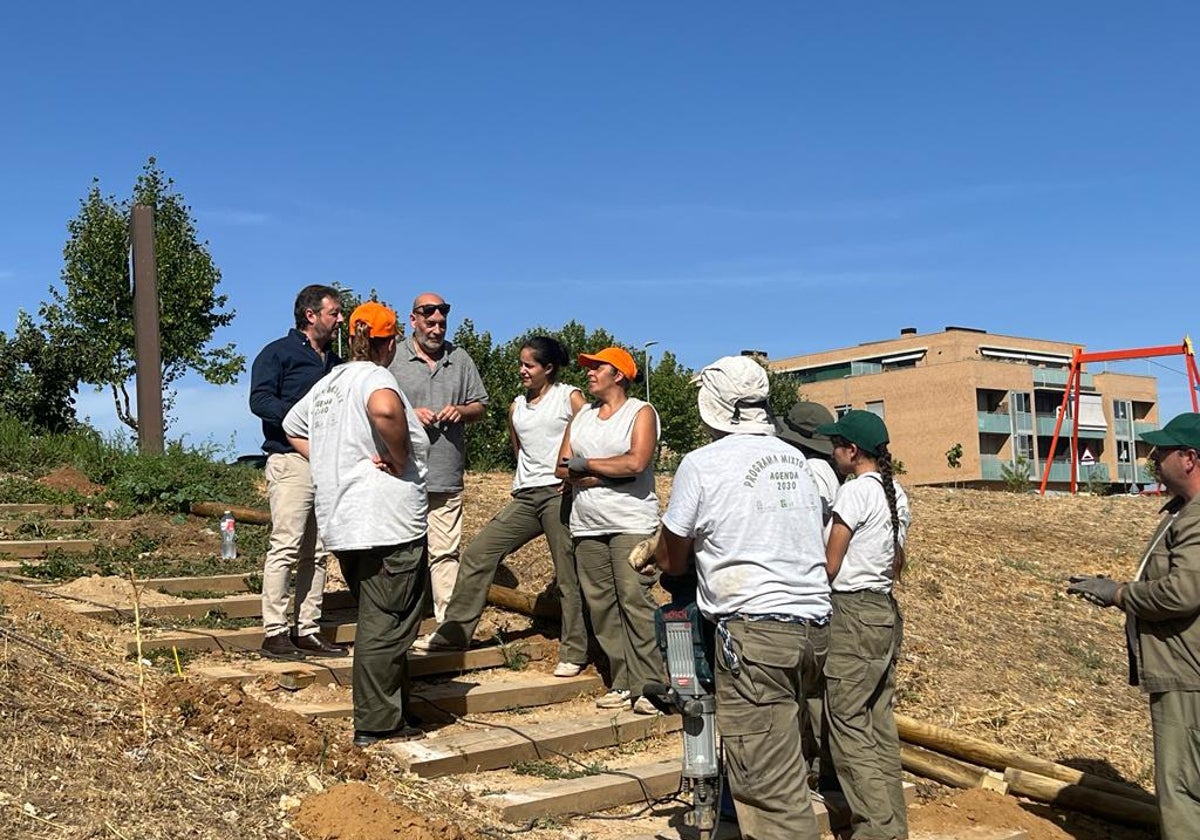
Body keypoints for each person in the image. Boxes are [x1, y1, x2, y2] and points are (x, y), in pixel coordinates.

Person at [654, 355, 831, 840]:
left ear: (714, 404)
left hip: (754, 638)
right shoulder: (797, 460)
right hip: (812, 633)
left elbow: (672, 559)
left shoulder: (703, 463)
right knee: (784, 765)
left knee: (770, 793)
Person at [283, 301, 431, 747]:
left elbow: (292, 423)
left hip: (346, 522)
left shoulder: (330, 383)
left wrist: (332, 460)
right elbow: (386, 410)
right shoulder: (376, 377)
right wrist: (400, 457)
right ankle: (378, 723)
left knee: (378, 615)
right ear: (390, 343)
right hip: (386, 522)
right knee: (386, 622)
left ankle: (393, 710)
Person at [414, 337, 589, 677]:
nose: (522, 370)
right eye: (521, 364)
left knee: (567, 575)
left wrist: (571, 478)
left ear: (548, 368)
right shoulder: (517, 406)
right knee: (479, 553)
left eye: (530, 365)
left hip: (557, 495)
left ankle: (575, 650)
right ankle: (454, 633)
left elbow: (592, 431)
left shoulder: (569, 397)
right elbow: (519, 448)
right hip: (526, 495)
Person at [1067, 412, 1200, 839]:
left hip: (1188, 675)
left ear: (1190, 458)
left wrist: (1120, 594)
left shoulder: (1197, 516)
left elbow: (1183, 592)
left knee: (1182, 793)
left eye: (1162, 451)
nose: (1153, 458)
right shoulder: (1182, 512)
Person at [814, 409, 910, 840]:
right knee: (878, 722)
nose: (832, 451)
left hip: (851, 612)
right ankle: (893, 825)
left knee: (847, 723)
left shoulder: (853, 493)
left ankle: (875, 830)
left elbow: (830, 564)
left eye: (837, 445)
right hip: (884, 612)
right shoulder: (896, 494)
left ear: (853, 452)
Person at [557, 346, 663, 714]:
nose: (588, 372)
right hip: (586, 524)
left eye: (596, 367)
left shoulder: (641, 412)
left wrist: (586, 469)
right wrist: (599, 471)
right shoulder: (582, 416)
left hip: (631, 522)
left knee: (635, 601)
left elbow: (636, 461)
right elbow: (561, 467)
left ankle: (651, 685)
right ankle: (622, 682)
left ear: (618, 374)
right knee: (601, 605)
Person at [248, 284, 346, 660]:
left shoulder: (336, 365)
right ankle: (275, 631)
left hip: (326, 465)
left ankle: (308, 629)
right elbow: (259, 400)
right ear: (311, 315)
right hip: (290, 460)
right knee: (286, 545)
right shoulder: (277, 353)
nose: (340, 320)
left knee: (317, 552)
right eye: (334, 313)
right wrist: (299, 421)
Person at [388, 292, 489, 623]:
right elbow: (372, 404)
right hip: (401, 472)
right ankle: (399, 618)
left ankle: (446, 624)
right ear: (413, 320)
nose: (436, 329)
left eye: (442, 324)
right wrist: (407, 413)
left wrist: (461, 411)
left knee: (445, 551)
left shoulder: (459, 359)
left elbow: (480, 406)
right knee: (402, 550)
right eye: (429, 323)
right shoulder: (393, 358)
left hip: (446, 471)